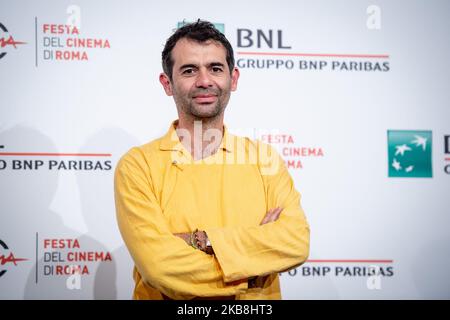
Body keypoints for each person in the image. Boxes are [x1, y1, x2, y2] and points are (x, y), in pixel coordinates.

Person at [114, 20, 310, 300]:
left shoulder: (265, 160)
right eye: (189, 70)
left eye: (215, 68)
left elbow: (296, 243)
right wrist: (253, 268)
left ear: (234, 78)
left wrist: (200, 241)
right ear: (167, 83)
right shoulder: (138, 166)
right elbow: (160, 269)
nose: (204, 80)